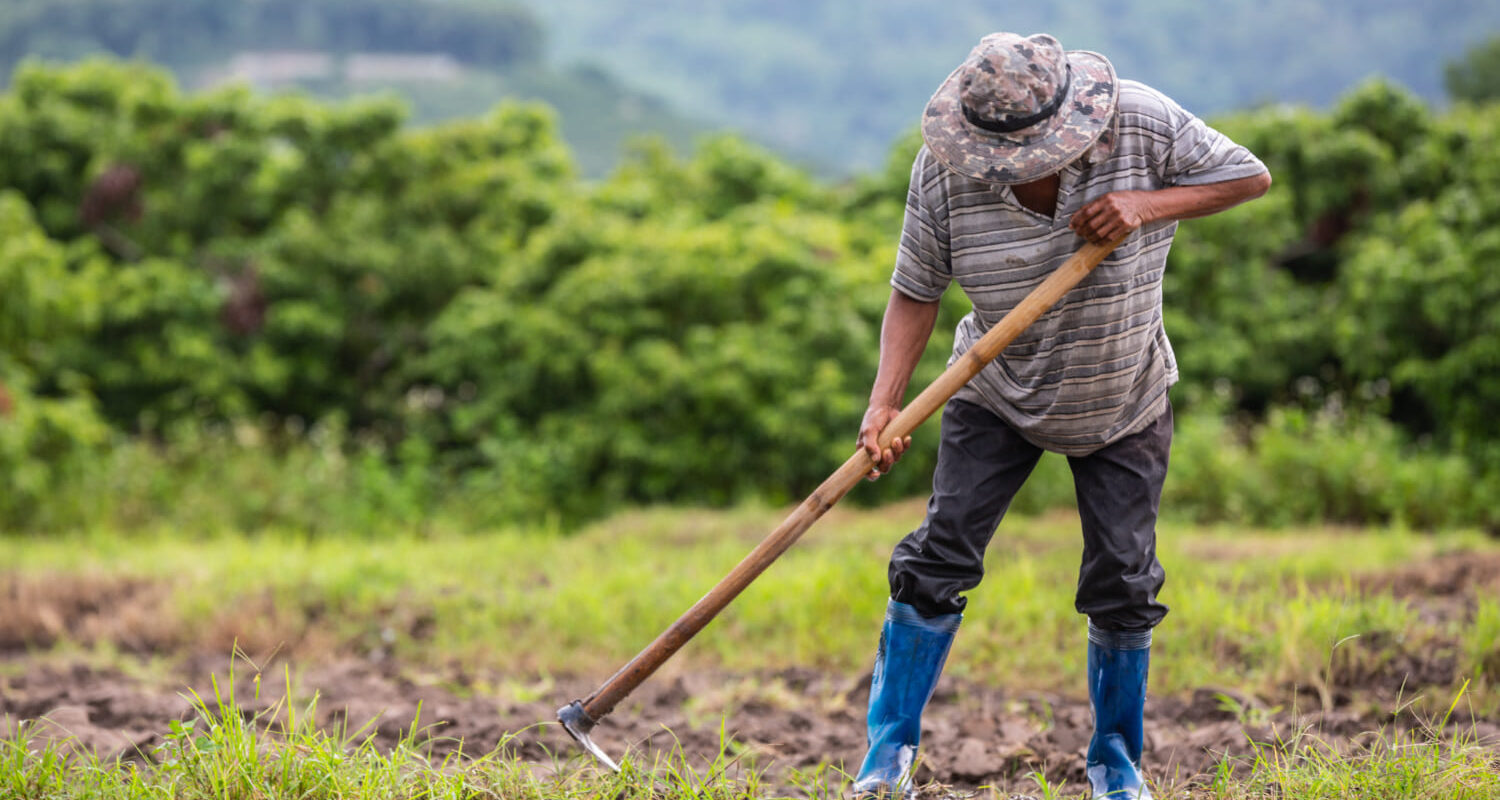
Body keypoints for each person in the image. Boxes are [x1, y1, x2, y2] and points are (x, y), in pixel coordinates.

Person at [850, 32, 1271, 799]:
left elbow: (1249, 177)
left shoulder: (1142, 123)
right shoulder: (945, 171)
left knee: (1123, 580)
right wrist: (886, 403)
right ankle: (887, 758)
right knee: (937, 557)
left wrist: (1146, 204)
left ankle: (1117, 763)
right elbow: (916, 288)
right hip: (994, 390)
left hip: (1124, 395)